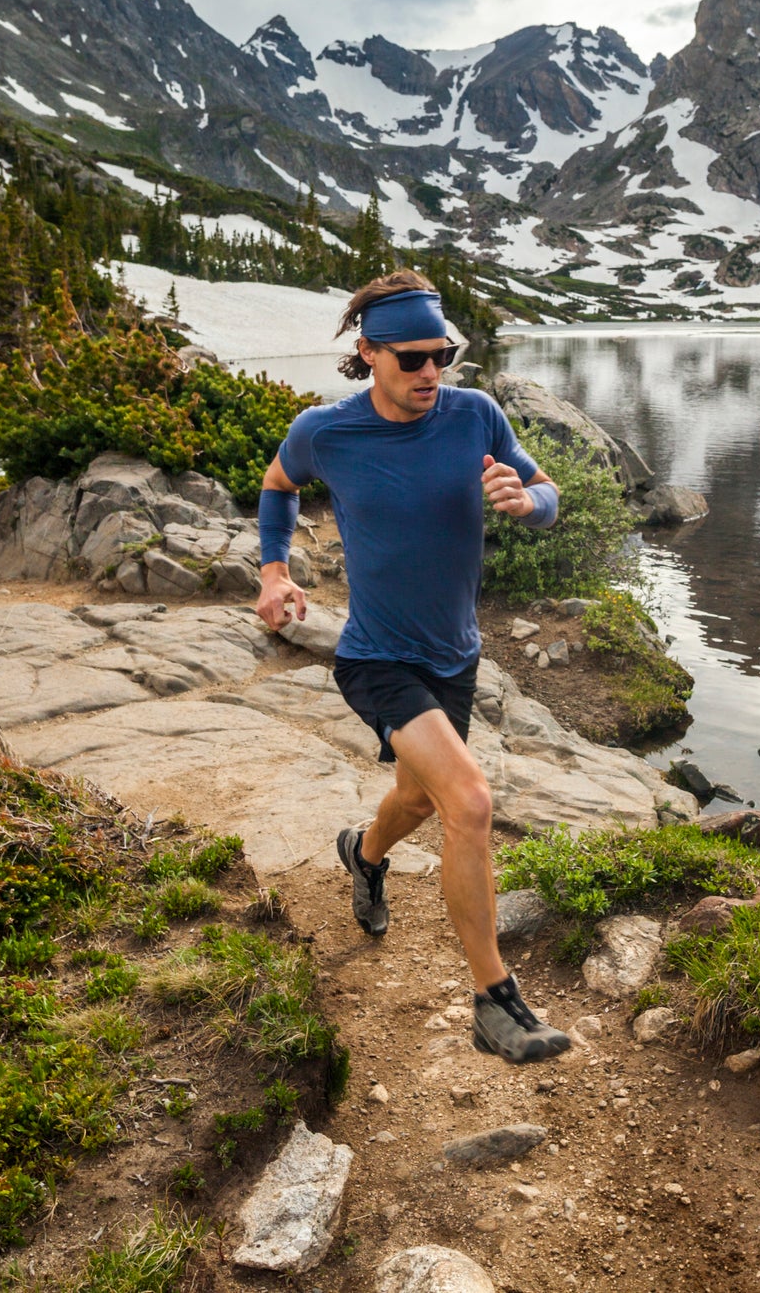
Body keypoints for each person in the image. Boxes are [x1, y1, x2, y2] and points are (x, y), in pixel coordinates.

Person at [254, 269, 572, 1064]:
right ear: (368, 355)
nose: (431, 372)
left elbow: (545, 489)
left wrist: (528, 502)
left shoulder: (476, 416)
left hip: (454, 658)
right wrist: (273, 569)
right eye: (413, 359)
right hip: (375, 658)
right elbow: (277, 485)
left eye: (443, 355)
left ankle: (362, 854)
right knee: (468, 800)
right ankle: (494, 1003)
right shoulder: (326, 431)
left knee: (419, 800)